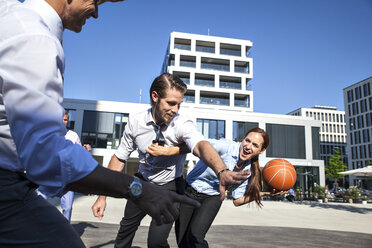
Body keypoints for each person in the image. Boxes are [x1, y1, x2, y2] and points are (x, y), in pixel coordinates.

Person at [0, 1, 201, 247]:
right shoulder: (35, 37)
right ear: (155, 97)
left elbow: (199, 144)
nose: (96, 13)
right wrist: (137, 189)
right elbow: (47, 158)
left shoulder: (11, 16)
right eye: (95, 1)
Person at [91, 73, 249, 248]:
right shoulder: (136, 122)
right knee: (125, 231)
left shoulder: (182, 123)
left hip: (170, 187)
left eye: (179, 104)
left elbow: (200, 145)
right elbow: (120, 158)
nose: (176, 110)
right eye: (171, 103)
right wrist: (102, 196)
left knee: (156, 242)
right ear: (155, 97)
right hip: (142, 182)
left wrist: (222, 170)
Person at [147, 127, 283, 248]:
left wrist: (264, 193)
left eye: (255, 145)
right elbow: (197, 145)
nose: (248, 146)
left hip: (213, 196)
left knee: (195, 237)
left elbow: (237, 200)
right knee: (183, 242)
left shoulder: (248, 171)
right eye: (247, 141)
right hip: (189, 190)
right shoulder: (225, 146)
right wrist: (167, 150)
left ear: (261, 150)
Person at [37, 110, 92, 222]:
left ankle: (64, 233)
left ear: (68, 121)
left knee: (67, 208)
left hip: (67, 178)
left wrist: (86, 150)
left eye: (65, 119)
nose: (63, 122)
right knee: (38, 203)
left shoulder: (73, 135)